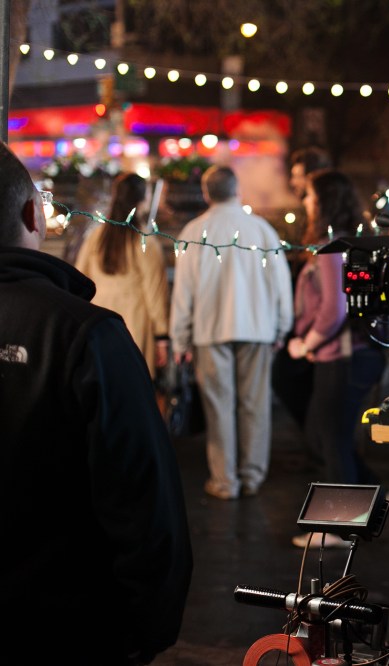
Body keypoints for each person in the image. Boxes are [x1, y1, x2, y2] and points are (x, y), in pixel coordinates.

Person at [0, 142, 193, 663]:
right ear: (32, 216)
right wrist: (146, 629)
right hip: (61, 628)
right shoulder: (84, 336)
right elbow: (142, 499)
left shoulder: (94, 240)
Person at [170, 165, 293, 500]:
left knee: (219, 407)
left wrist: (180, 339)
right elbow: (281, 283)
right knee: (255, 404)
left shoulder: (194, 231)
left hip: (210, 330)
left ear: (206, 193)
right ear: (238, 189)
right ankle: (252, 474)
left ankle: (225, 480)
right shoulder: (262, 230)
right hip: (258, 328)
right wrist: (282, 327)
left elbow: (183, 293)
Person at [287, 169, 387, 549]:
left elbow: (335, 308)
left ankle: (340, 529)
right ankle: (372, 500)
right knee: (325, 435)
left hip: (343, 356)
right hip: (352, 354)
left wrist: (306, 343)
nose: (306, 202)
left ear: (324, 201)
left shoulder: (332, 247)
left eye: (311, 196)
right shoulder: (349, 242)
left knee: (331, 439)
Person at [74, 172, 170, 377]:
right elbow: (154, 291)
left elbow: (80, 278)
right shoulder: (144, 241)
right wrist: (162, 335)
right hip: (134, 325)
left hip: (100, 324)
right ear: (143, 200)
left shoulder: (96, 237)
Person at [273, 146, 334, 429]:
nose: (293, 182)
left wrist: (309, 341)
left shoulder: (325, 229)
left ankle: (315, 438)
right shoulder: (307, 217)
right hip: (309, 323)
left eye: (298, 175)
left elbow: (333, 303)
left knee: (287, 378)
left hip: (319, 330)